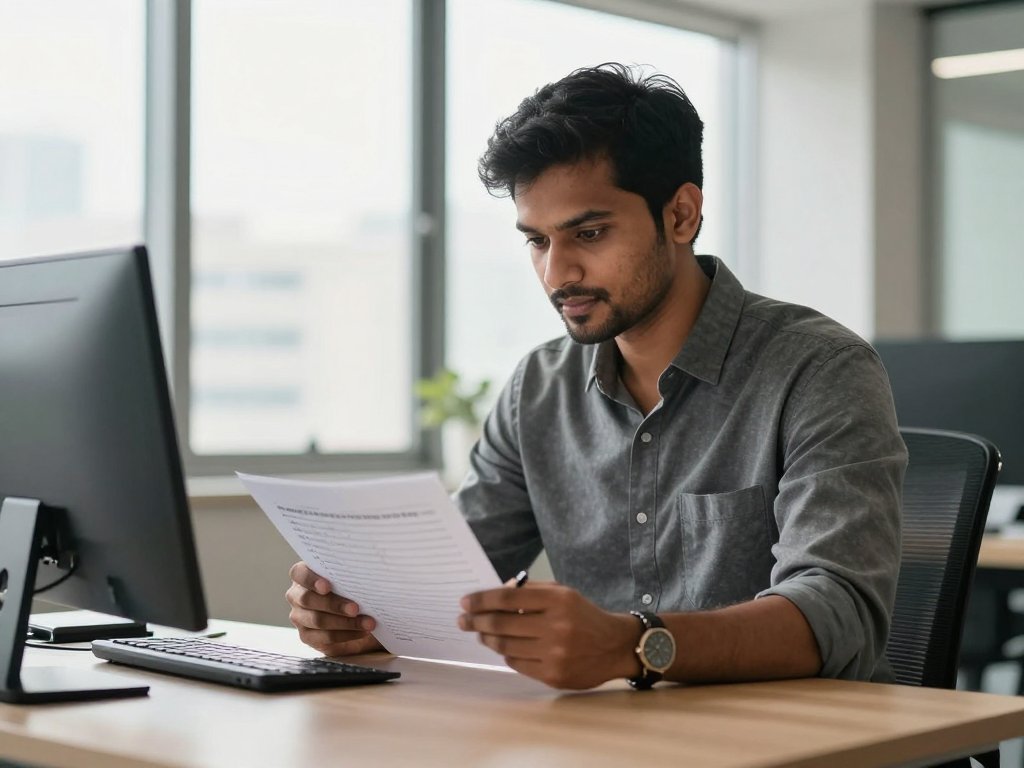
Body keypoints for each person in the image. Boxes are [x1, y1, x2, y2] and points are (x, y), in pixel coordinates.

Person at [286, 63, 906, 691]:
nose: (557, 273)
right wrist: (364, 616)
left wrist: (634, 645)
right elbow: (452, 581)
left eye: (588, 232)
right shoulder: (538, 388)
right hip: (611, 740)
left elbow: (840, 614)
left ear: (682, 215)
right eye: (536, 241)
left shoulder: (819, 369)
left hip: (809, 742)